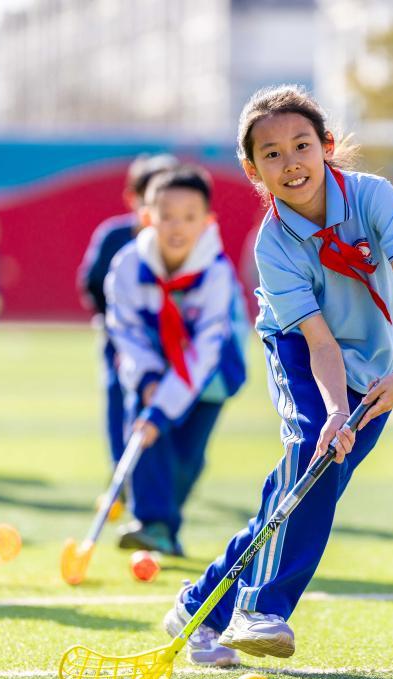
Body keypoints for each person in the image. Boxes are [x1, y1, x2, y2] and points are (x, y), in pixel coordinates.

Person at [161, 84, 393, 666]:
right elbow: (319, 342)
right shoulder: (273, 244)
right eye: (272, 154)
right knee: (315, 454)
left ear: (326, 145)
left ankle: (198, 603)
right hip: (300, 351)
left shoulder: (373, 197)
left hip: (378, 365)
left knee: (303, 489)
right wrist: (334, 409)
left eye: (301, 145)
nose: (291, 162)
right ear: (252, 168)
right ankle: (261, 609)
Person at [106, 165, 248, 556]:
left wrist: (164, 407)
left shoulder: (215, 273)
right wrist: (149, 377)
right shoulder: (128, 266)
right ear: (147, 217)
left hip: (211, 376)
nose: (177, 227)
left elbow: (204, 353)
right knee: (146, 436)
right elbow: (125, 330)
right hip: (151, 368)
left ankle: (166, 525)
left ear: (207, 221)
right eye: (166, 216)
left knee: (186, 458)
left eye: (189, 217)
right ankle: (153, 524)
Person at [77, 153, 180, 468]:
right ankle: (120, 466)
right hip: (118, 334)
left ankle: (164, 467)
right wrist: (116, 322)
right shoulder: (115, 236)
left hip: (170, 337)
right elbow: (92, 281)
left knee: (171, 395)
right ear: (135, 198)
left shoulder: (183, 240)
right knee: (116, 390)